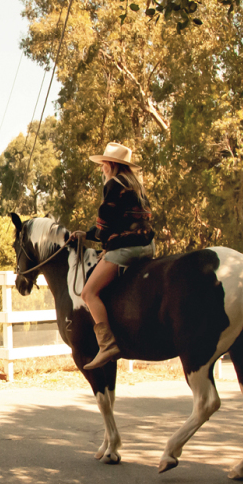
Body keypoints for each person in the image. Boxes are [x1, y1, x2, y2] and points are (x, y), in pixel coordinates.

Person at [72, 142, 156, 370]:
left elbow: (104, 226)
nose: (101, 169)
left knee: (88, 293)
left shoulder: (112, 186)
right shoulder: (136, 186)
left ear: (110, 165)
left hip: (127, 249)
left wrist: (88, 235)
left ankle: (107, 344)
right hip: (147, 246)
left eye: (102, 165)